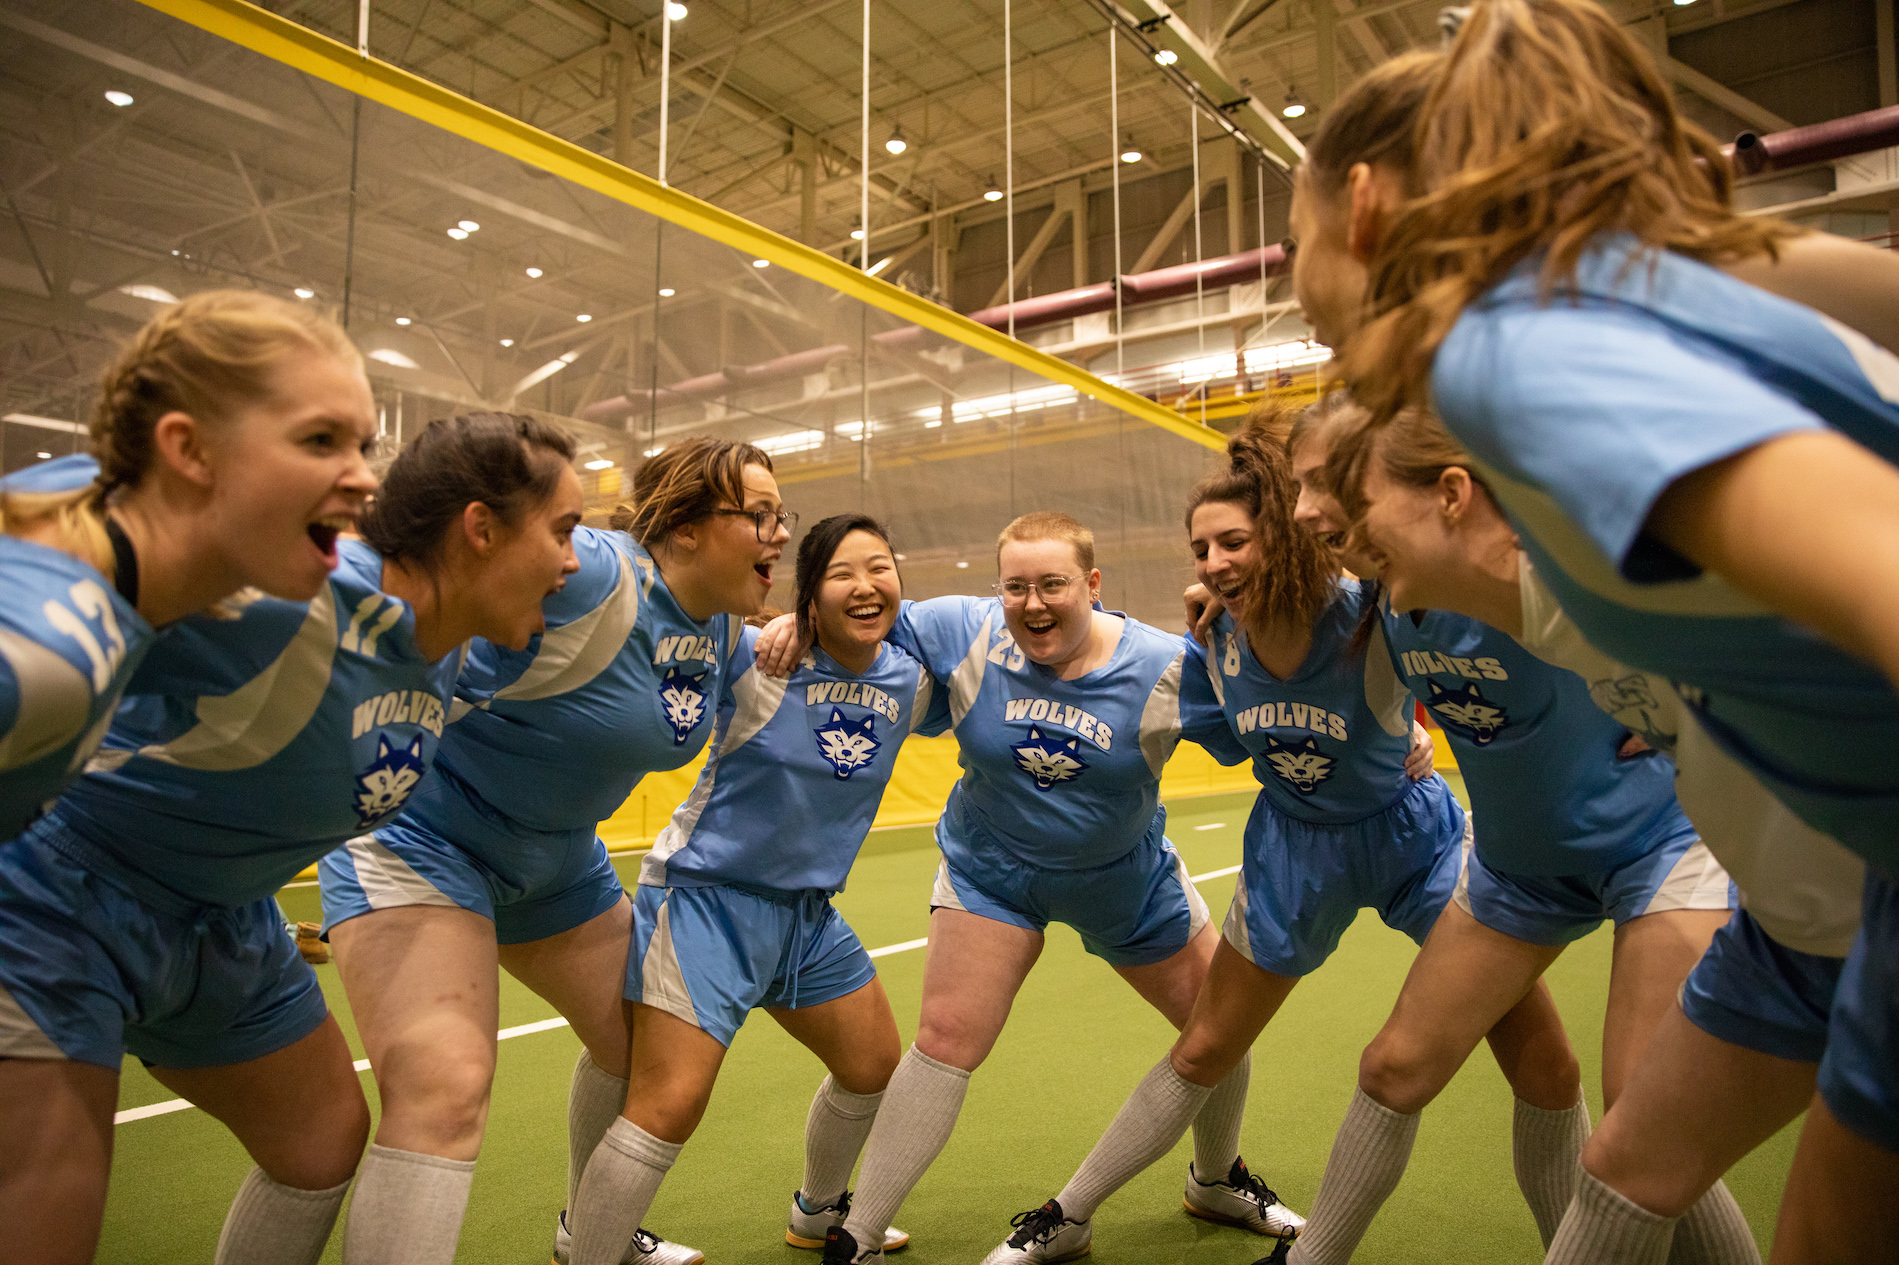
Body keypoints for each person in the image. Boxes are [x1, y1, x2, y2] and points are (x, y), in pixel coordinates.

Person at [1290, 2, 1899, 1258]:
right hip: (1829, 896)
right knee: (1630, 1164)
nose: (1297, 293)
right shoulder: (1645, 292)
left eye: (1286, 236)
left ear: (1358, 205)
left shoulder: (1510, 366)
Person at [977, 415, 1570, 1265]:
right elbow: (1176, 722)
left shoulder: (1372, 612)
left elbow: (1465, 655)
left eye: (1233, 541)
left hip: (1414, 839)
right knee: (1206, 1042)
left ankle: (1580, 1245)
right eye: (1200, 548)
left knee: (1537, 1051)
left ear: (1285, 538)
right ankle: (1065, 1216)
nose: (1214, 562)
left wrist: (1418, 729)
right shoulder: (1212, 636)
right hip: (1296, 851)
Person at [0, 402, 584, 1265]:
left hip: (226, 927)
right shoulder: (295, 595)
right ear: (480, 529)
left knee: (319, 1142)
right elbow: (76, 530)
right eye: (565, 531)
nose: (573, 563)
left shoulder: (450, 641)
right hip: (61, 905)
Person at [1337, 405, 1866, 1265]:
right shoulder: (1495, 606)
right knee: (1630, 1153)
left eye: (1348, 496)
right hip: (1759, 922)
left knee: (1648, 1136)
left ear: (1452, 494)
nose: (1324, 521)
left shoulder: (1603, 576)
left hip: (1812, 902)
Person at [754, 510, 1346, 1265]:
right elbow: (861, 625)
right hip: (991, 872)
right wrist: (796, 623)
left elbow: (1269, 720)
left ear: (1091, 585)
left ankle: (1215, 1176)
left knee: (1216, 1028)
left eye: (1053, 584)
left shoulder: (1167, 664)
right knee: (943, 1041)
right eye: (1016, 586)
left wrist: (1394, 733)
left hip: (1124, 880)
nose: (1033, 603)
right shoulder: (959, 629)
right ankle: (858, 1234)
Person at [1263, 395, 1750, 1265]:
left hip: (1659, 846)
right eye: (1295, 486)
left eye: (1324, 482)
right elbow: (1275, 618)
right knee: (1393, 1067)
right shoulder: (1384, 587)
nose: (1303, 509)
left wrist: (1700, 705)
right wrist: (1218, 607)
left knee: (1642, 1119)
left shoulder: (1548, 568)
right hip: (1517, 867)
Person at [320, 437, 789, 1265]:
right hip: (428, 841)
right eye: (756, 514)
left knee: (642, 1048)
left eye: (780, 515)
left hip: (557, 861)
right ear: (680, 527)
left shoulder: (721, 632)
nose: (777, 532)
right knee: (443, 1088)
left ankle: (588, 1229)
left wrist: (803, 626)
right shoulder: (595, 575)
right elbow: (386, 574)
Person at [563, 514, 946, 1265]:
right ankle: (587, 1240)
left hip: (806, 915)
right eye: (841, 573)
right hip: (707, 899)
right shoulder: (750, 659)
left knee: (871, 1065)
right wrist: (764, 624)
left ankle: (816, 1211)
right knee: (665, 1101)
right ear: (809, 593)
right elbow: (675, 624)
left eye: (880, 566)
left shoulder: (910, 680)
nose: (865, 586)